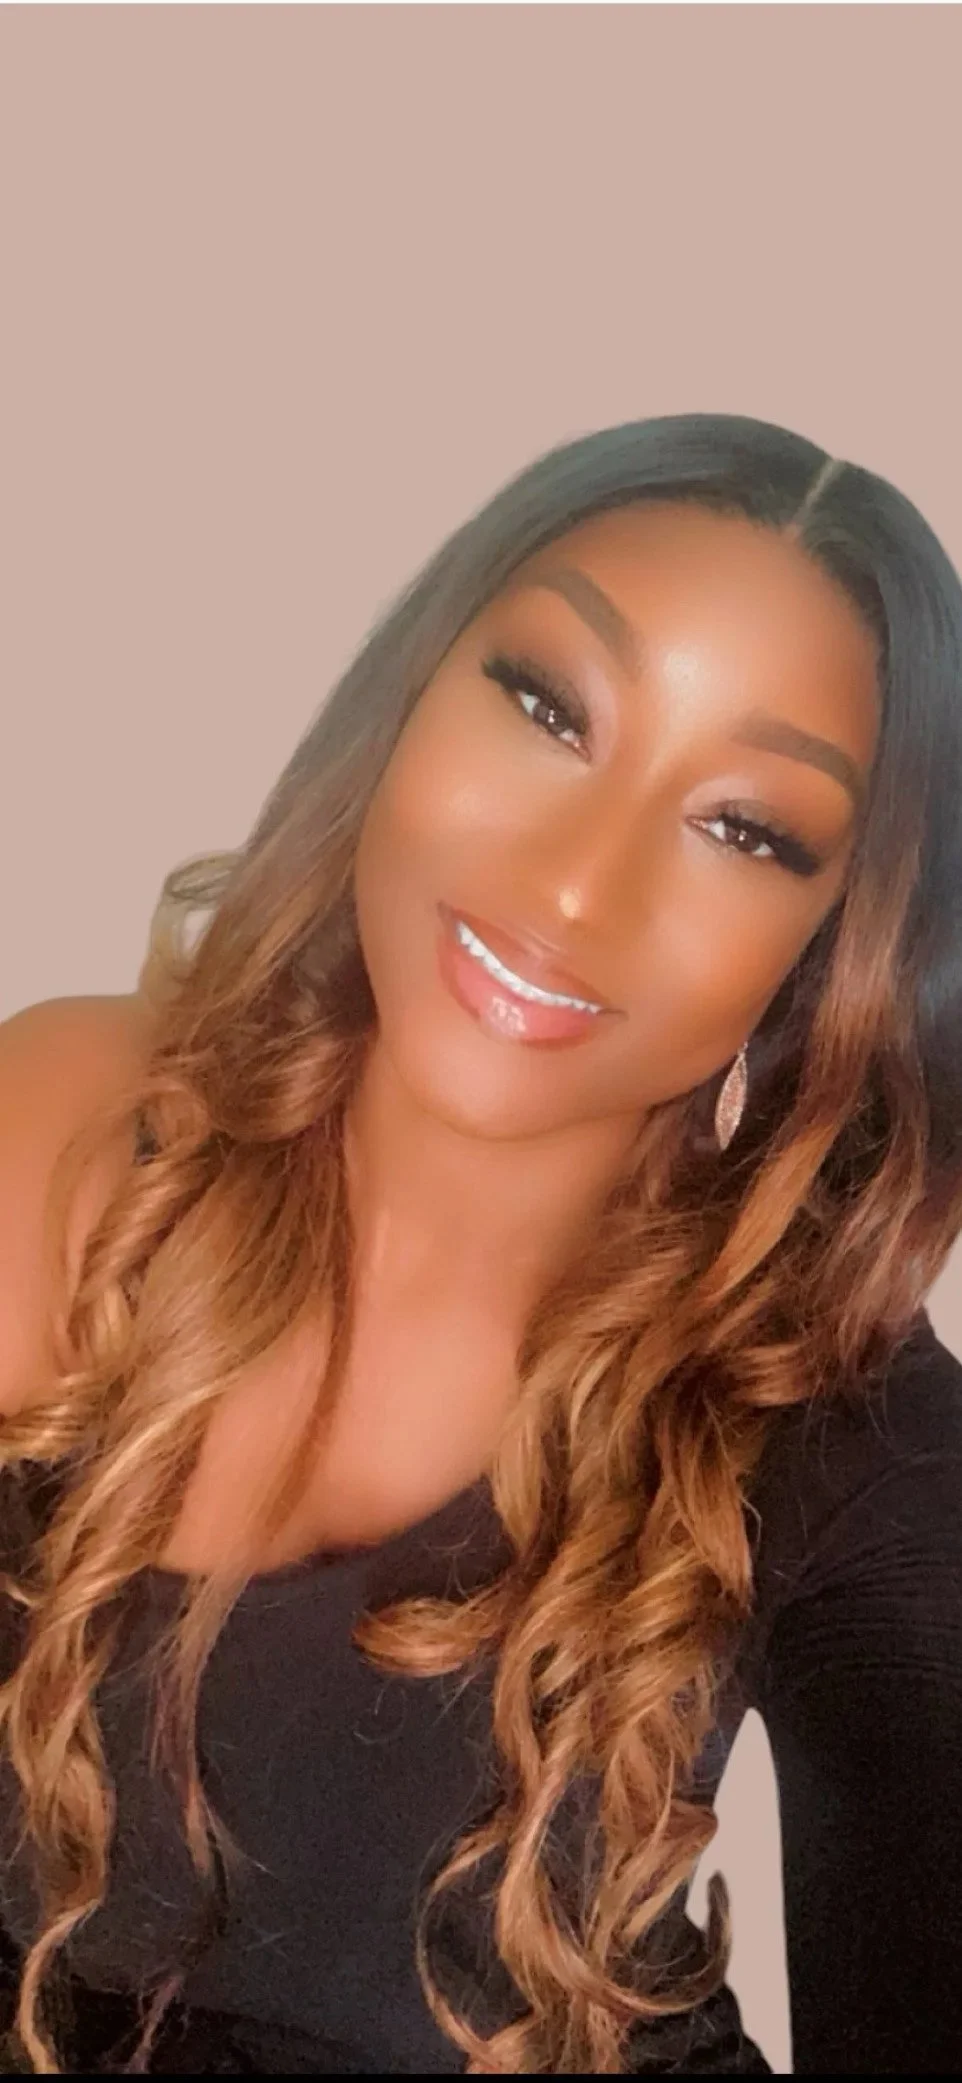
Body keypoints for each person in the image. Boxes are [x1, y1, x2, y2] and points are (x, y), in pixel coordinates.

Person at [0, 412, 961, 2077]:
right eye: (544, 704)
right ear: (402, 700)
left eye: (744, 828)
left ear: (831, 950)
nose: (570, 892)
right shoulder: (68, 1122)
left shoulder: (849, 1456)